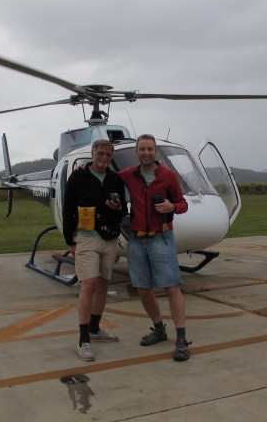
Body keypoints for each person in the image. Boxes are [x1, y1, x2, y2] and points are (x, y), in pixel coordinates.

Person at [118, 134, 191, 361]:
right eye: (142, 149)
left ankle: (181, 338)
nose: (146, 153)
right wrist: (85, 168)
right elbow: (104, 177)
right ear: (137, 152)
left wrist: (172, 206)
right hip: (137, 240)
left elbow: (183, 204)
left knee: (171, 286)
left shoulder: (168, 176)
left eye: (150, 149)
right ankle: (159, 329)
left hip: (161, 237)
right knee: (143, 288)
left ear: (155, 152)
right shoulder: (129, 175)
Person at [62, 139, 128, 362]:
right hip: (86, 238)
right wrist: (70, 241)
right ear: (92, 154)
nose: (104, 158)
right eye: (100, 153)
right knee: (88, 283)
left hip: (109, 238)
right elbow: (68, 208)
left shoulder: (115, 179)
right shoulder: (78, 176)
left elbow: (124, 210)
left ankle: (95, 328)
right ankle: (83, 340)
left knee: (103, 283)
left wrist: (117, 207)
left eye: (108, 155)